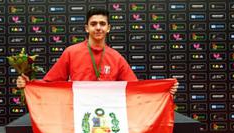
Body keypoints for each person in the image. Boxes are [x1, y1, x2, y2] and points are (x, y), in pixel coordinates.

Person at [17, 8, 178, 93]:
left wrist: (164, 90)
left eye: (102, 24)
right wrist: (28, 84)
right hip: (77, 112)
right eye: (94, 24)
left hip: (108, 114)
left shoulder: (116, 57)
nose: (98, 27)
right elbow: (49, 83)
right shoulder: (71, 52)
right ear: (87, 28)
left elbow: (135, 89)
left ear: (109, 28)